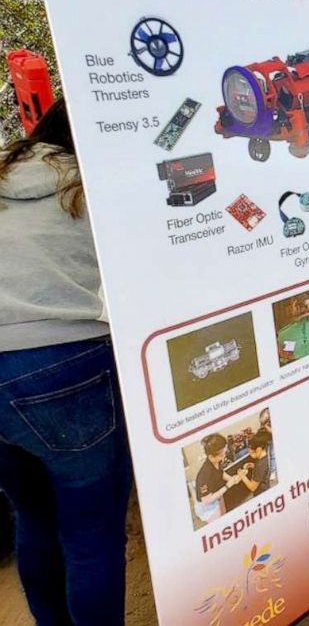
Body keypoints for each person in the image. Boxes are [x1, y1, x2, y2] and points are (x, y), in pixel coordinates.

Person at [0, 98, 134, 626]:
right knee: (91, 536)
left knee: (32, 516)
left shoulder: (6, 167)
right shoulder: (93, 183)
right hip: (61, 362)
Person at [194, 433, 244, 523]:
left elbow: (220, 472)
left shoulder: (217, 461)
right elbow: (207, 500)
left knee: (224, 513)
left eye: (225, 452)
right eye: (221, 455)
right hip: (208, 506)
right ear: (210, 457)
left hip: (217, 494)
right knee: (219, 522)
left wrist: (231, 479)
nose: (224, 457)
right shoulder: (204, 476)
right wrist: (228, 486)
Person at [239, 430, 273, 497]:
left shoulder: (260, 465)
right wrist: (253, 466)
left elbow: (253, 487)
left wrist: (242, 475)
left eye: (251, 453)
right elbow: (264, 471)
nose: (250, 455)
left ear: (258, 450)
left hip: (261, 493)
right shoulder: (266, 457)